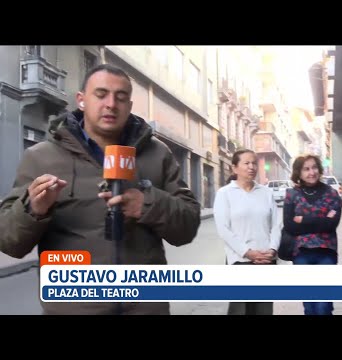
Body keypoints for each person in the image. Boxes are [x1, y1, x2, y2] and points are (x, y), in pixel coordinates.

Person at [0, 64, 201, 315]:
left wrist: (147, 204)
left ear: (129, 105)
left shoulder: (158, 154)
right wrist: (33, 209)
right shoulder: (41, 158)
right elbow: (9, 242)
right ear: (81, 100)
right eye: (101, 94)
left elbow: (188, 226)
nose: (111, 104)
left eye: (121, 97)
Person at [213, 149, 281, 315]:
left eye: (254, 163)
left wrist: (272, 250)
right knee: (240, 310)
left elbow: (276, 225)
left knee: (263, 310)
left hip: (265, 260)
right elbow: (223, 228)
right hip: (239, 260)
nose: (251, 167)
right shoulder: (224, 194)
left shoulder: (266, 193)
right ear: (235, 168)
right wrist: (247, 252)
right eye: (246, 163)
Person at [283, 154, 342, 315]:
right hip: (301, 254)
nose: (312, 172)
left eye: (314, 167)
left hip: (326, 253)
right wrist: (320, 220)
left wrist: (302, 219)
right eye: (306, 169)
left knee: (324, 306)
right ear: (299, 173)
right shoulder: (291, 194)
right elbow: (289, 226)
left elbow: (331, 225)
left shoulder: (331, 193)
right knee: (309, 306)